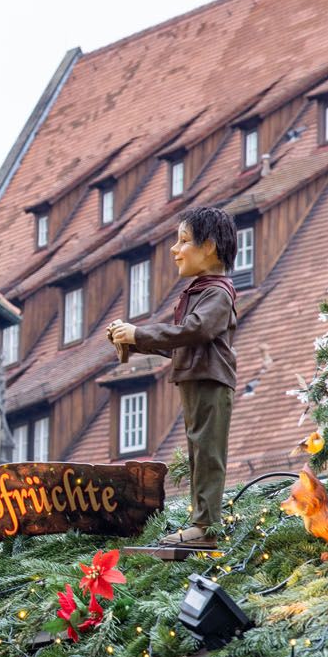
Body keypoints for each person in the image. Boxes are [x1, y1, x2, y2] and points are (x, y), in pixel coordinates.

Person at [107, 207, 238, 548]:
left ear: (208, 247)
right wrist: (134, 342)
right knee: (199, 451)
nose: (173, 249)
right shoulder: (201, 291)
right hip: (197, 378)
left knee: (208, 451)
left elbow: (193, 330)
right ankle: (201, 520)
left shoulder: (218, 293)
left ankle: (207, 526)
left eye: (183, 241)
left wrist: (139, 334)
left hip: (211, 380)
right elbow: (182, 343)